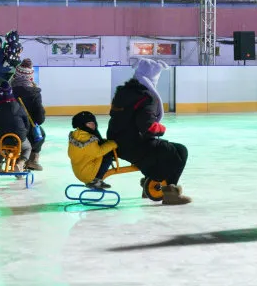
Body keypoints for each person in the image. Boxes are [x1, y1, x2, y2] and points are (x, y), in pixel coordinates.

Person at [107, 59, 191, 205]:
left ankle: (150, 184)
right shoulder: (146, 97)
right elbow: (147, 127)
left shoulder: (123, 91)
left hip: (117, 142)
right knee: (179, 152)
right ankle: (169, 192)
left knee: (164, 149)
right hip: (134, 146)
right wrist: (161, 129)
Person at [0, 82, 33, 174]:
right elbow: (26, 121)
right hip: (19, 136)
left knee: (0, 144)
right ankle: (20, 163)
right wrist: (25, 133)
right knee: (27, 148)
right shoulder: (18, 105)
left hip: (3, 136)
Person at [11, 59, 47, 170]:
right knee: (41, 135)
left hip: (7, 127)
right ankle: (32, 160)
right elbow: (39, 119)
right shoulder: (34, 93)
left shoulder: (7, 90)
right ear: (30, 77)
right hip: (26, 129)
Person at [67, 111, 117, 190]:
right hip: (88, 175)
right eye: (89, 123)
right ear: (82, 124)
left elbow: (89, 149)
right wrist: (112, 144)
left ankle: (94, 179)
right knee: (108, 155)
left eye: (93, 123)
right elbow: (98, 152)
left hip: (79, 172)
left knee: (104, 150)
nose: (93, 125)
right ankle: (96, 180)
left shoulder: (76, 135)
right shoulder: (89, 139)